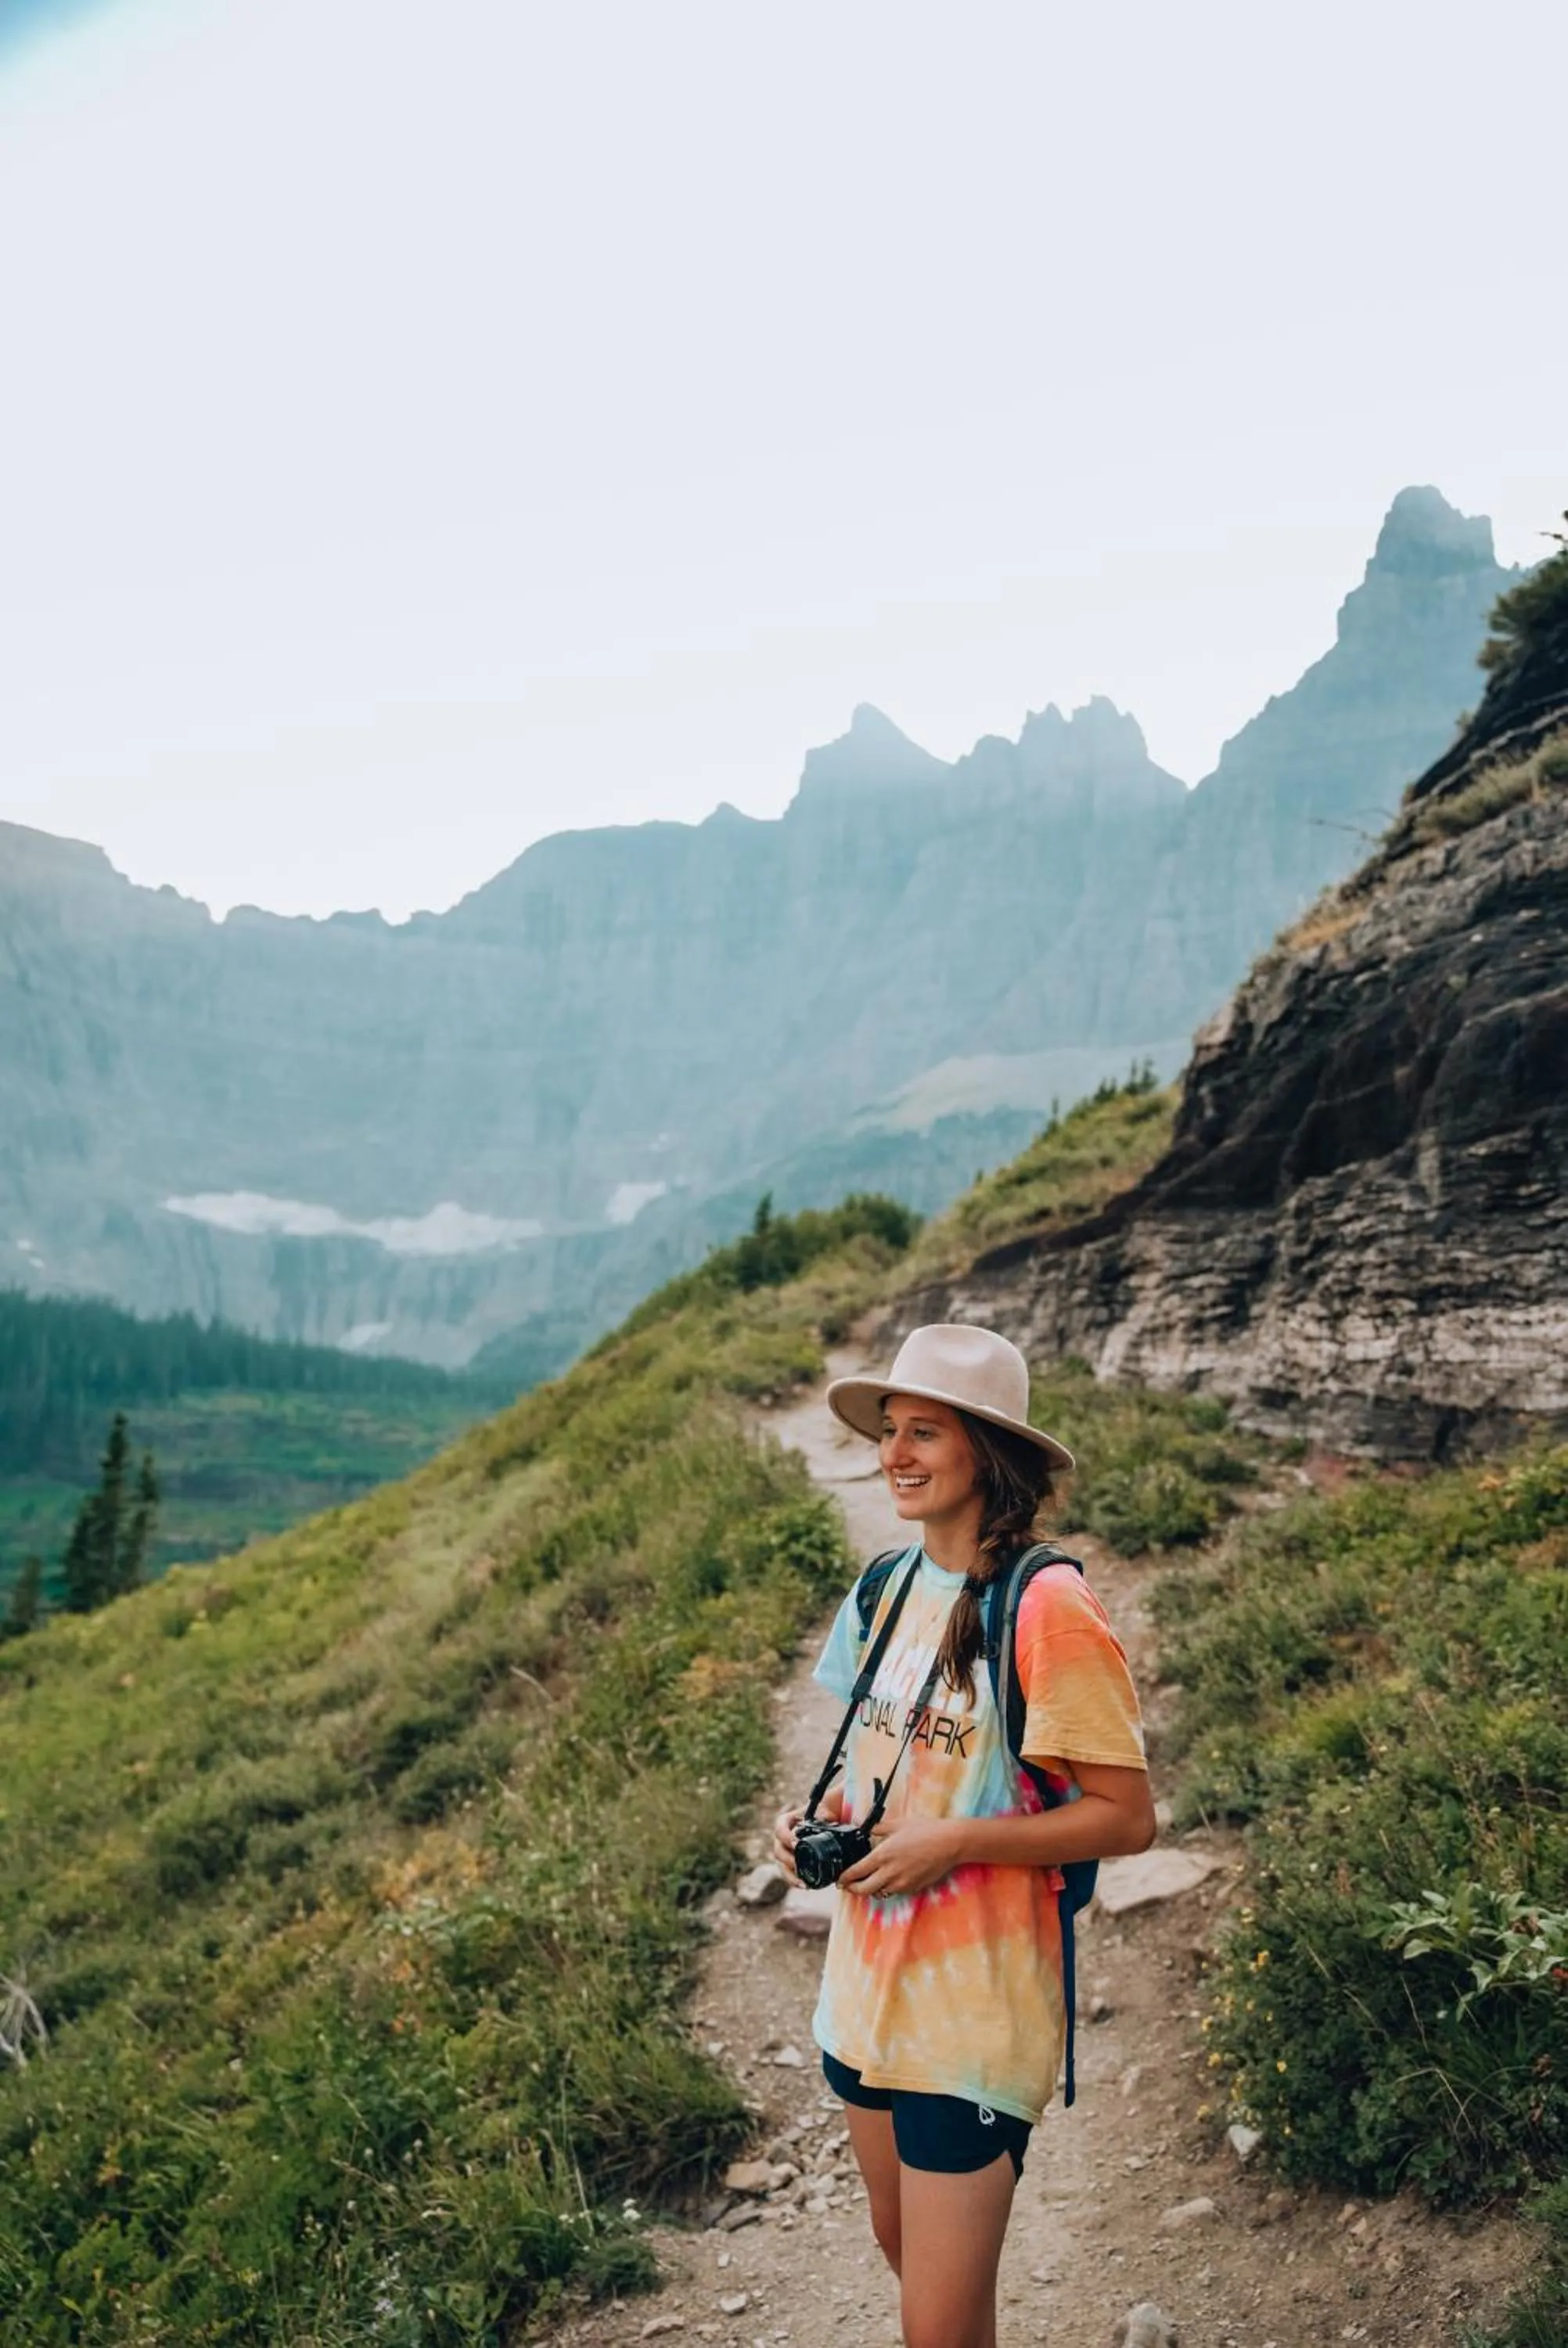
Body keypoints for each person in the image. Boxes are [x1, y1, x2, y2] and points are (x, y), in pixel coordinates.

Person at [773, 1323, 1154, 2348]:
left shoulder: (1047, 1606)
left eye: (924, 1433)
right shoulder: (887, 1586)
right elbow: (872, 1758)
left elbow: (1126, 1816)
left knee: (936, 2330)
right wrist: (815, 1828)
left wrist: (957, 1842)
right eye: (890, 1430)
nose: (894, 1453)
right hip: (862, 1998)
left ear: (985, 1453)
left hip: (974, 2017)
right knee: (915, 2275)